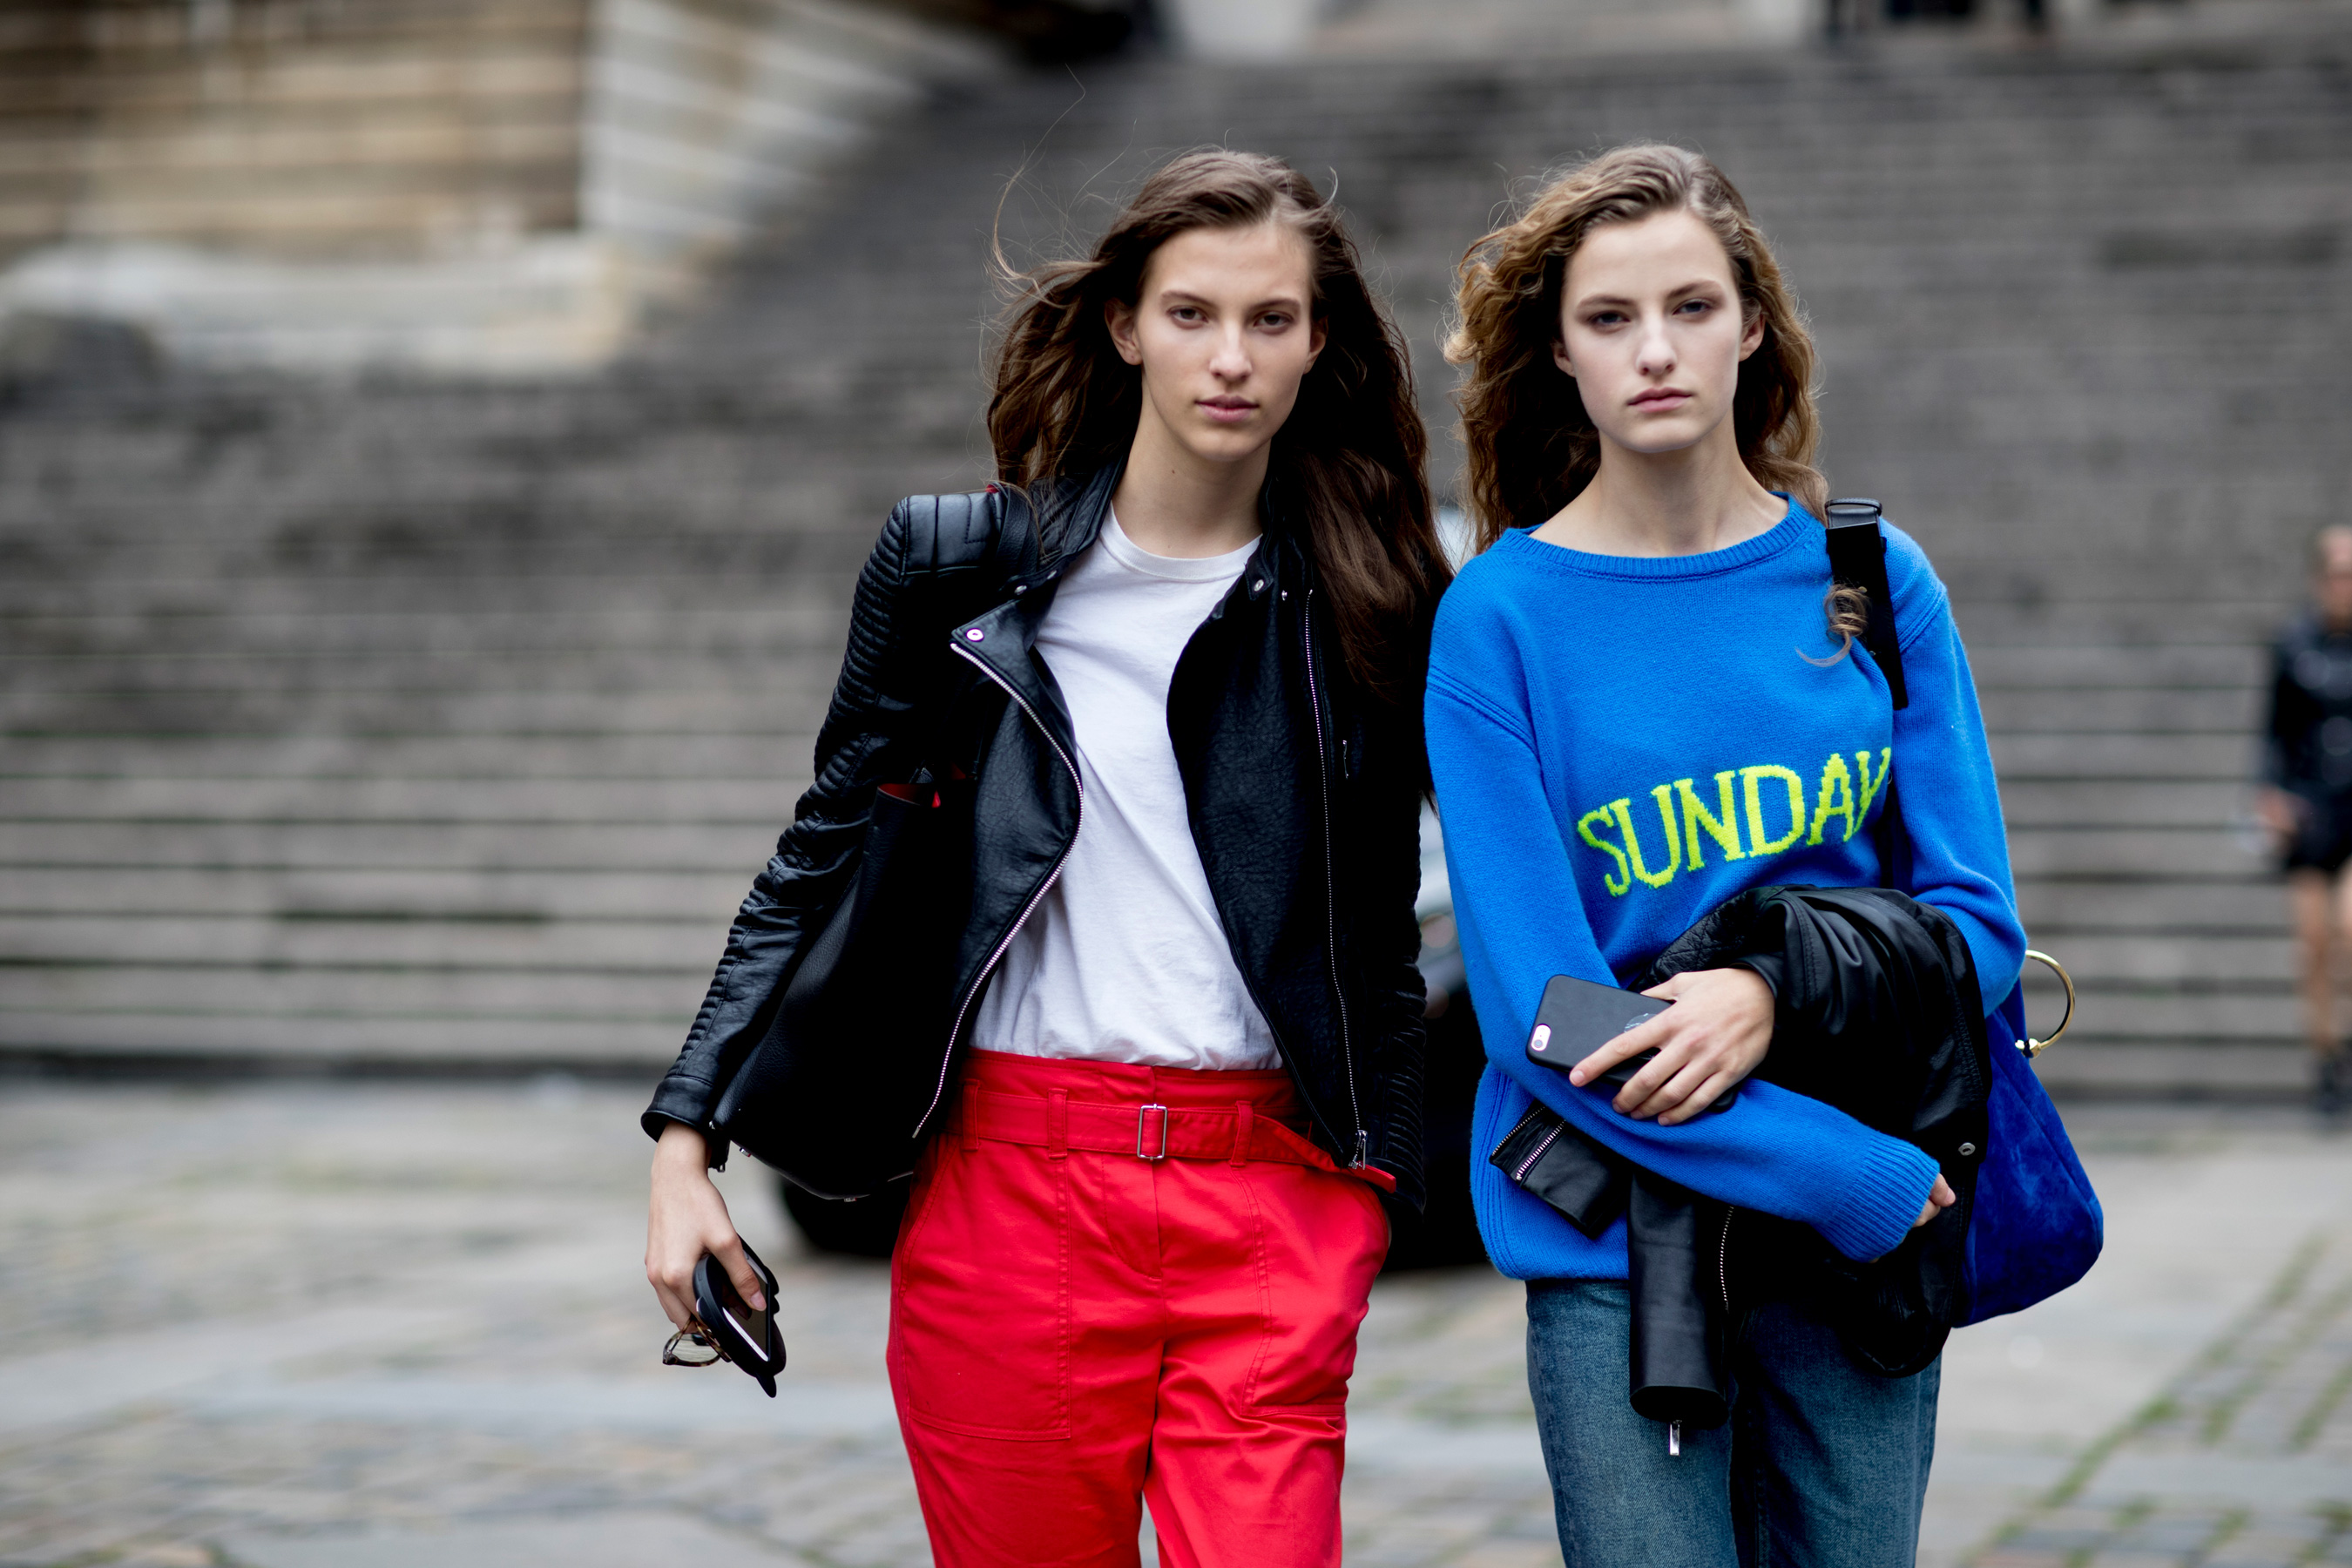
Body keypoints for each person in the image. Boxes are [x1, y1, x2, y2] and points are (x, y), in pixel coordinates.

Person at [643, 150, 1448, 1567]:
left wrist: (1361, 1188)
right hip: (1015, 1196)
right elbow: (821, 846)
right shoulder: (963, 568)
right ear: (1126, 324)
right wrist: (684, 1141)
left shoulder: (1375, 601)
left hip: (1270, 1195)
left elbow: (1383, 921)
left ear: (1321, 343)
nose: (1231, 358)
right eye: (1192, 314)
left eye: (1272, 320)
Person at [1429, 145, 2026, 1565]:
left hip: (1855, 1250)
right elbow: (1539, 1008)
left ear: (1753, 321)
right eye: (1610, 319)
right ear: (1557, 354)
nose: (1655, 351)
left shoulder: (1870, 581)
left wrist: (1768, 991)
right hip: (1623, 1237)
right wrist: (1830, 1165)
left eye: (1692, 306)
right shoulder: (1500, 622)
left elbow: (1982, 930)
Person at [2257, 524, 2352, 1114]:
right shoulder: (2295, 644)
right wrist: (2268, 795)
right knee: (2312, 943)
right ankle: (2326, 1056)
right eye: (2339, 572)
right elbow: (2274, 732)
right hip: (2312, 807)